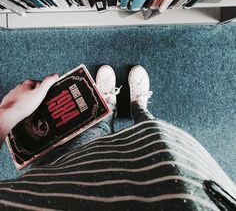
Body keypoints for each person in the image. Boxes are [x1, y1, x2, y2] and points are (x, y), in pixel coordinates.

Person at [0, 65, 235, 211]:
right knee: (151, 135)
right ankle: (137, 109)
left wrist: (8, 113)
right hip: (189, 186)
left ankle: (106, 113)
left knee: (88, 151)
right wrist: (6, 113)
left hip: (66, 184)